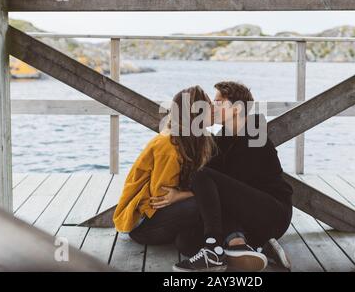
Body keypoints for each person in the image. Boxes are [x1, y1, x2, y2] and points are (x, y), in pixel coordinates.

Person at [171, 81, 293, 272]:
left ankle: (214, 250)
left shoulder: (255, 138)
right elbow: (212, 187)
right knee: (184, 241)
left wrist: (180, 196)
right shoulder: (223, 136)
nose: (212, 106)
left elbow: (217, 185)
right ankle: (256, 248)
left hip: (271, 212)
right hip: (244, 215)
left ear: (236, 109)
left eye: (219, 102)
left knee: (202, 175)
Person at [113, 86, 215, 250]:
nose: (213, 109)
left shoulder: (199, 139)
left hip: (168, 216)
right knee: (204, 202)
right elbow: (161, 198)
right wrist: (192, 194)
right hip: (144, 225)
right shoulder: (169, 145)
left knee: (209, 203)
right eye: (208, 105)